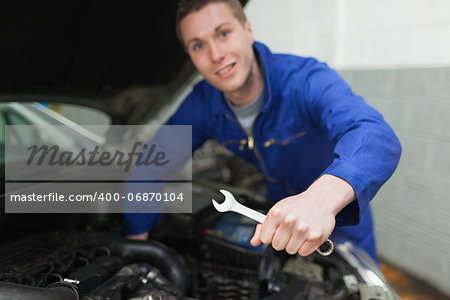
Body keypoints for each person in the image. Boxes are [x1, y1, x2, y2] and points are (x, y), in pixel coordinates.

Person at [125, 0, 401, 263]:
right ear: (190, 55)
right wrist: (137, 240)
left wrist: (321, 200)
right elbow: (152, 164)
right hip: (277, 217)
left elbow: (374, 135)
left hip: (338, 216)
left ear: (247, 30)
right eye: (198, 45)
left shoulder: (303, 79)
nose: (216, 55)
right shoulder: (201, 103)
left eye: (223, 33)